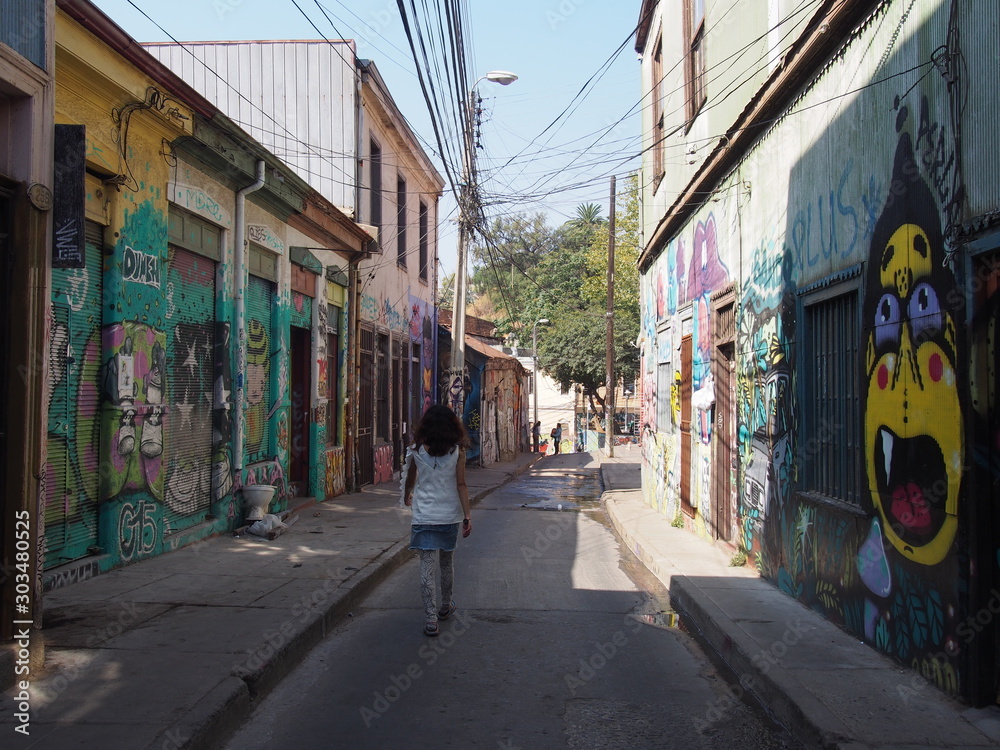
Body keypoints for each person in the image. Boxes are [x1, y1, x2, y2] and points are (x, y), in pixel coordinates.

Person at [401, 404, 472, 637]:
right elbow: (461, 485)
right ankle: (446, 605)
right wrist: (467, 516)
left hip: (424, 515)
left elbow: (411, 478)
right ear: (452, 426)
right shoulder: (457, 452)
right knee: (446, 563)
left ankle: (431, 620)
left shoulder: (416, 450)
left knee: (426, 566)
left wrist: (406, 495)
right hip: (449, 515)